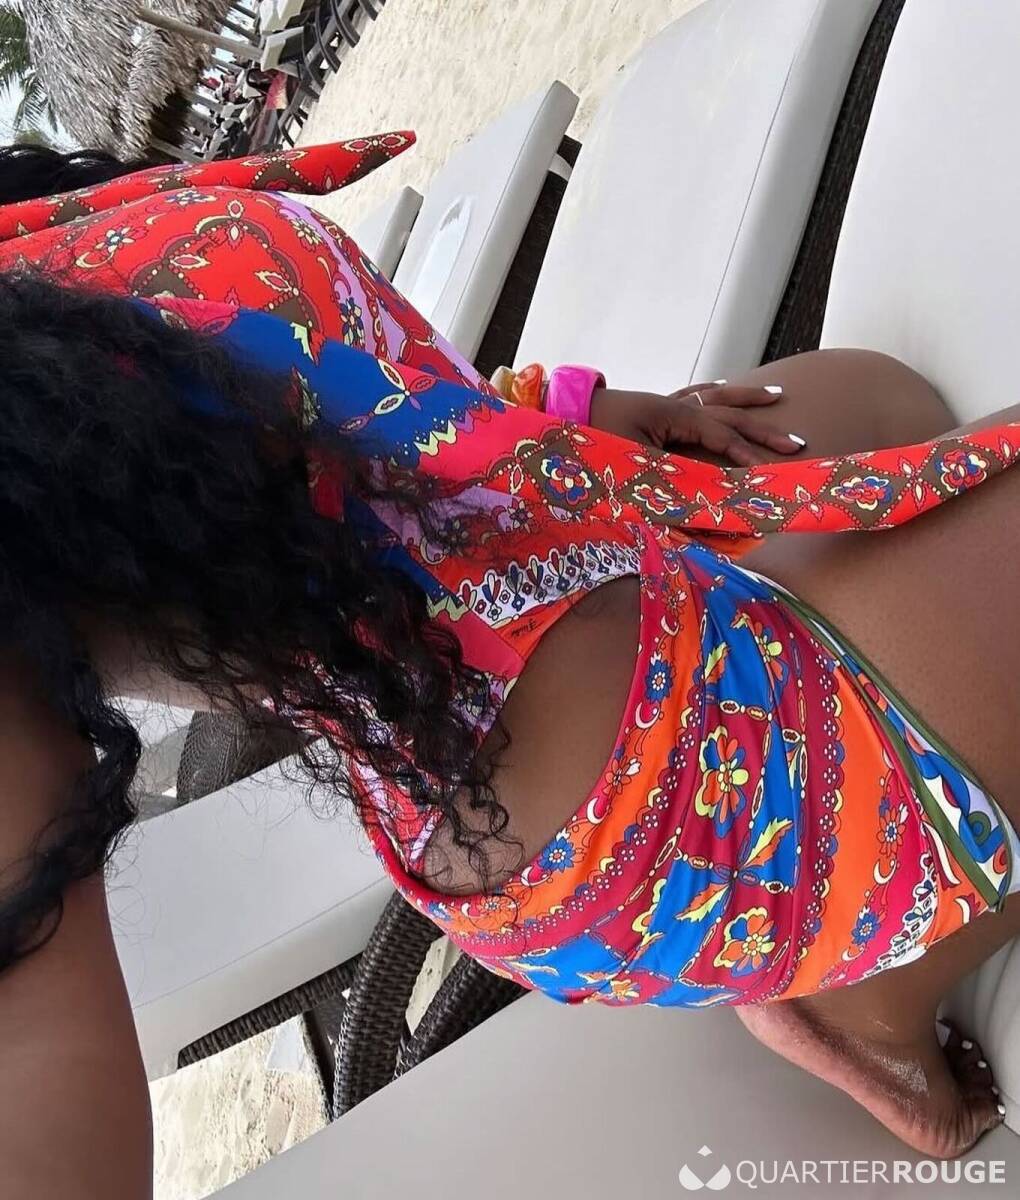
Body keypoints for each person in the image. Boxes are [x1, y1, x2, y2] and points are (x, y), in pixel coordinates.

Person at [1, 147, 1018, 1198]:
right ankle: (860, 982)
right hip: (647, 789)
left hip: (592, 572)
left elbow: (304, 425)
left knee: (886, 398)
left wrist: (559, 416)